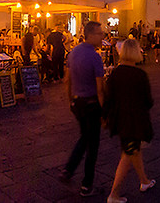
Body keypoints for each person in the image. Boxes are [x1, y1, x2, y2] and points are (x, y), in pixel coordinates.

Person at [102, 39, 155, 203]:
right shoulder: (140, 74)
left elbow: (108, 99)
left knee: (134, 150)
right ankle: (114, 194)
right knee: (128, 154)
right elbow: (148, 101)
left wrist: (105, 117)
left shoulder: (115, 74)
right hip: (134, 121)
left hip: (120, 120)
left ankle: (144, 181)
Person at [58, 22, 107, 196]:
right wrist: (104, 112)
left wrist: (70, 101)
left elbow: (67, 80)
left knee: (84, 137)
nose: (103, 36)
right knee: (92, 145)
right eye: (100, 33)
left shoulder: (73, 53)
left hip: (77, 103)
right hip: (91, 104)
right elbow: (100, 89)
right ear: (91, 35)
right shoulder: (95, 57)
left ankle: (68, 170)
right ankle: (86, 185)